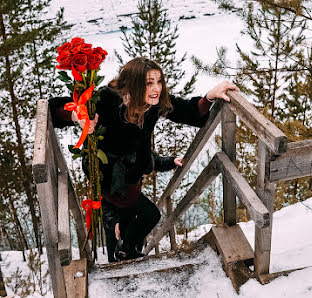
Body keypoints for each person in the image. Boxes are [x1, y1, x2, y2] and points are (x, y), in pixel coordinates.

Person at [49, 57, 239, 262]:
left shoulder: (154, 103)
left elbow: (189, 112)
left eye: (159, 82)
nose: (156, 88)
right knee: (146, 216)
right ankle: (123, 254)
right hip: (109, 178)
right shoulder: (108, 100)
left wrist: (210, 96)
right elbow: (58, 111)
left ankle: (122, 254)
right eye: (149, 83)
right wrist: (77, 116)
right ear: (134, 83)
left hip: (132, 176)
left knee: (125, 222)